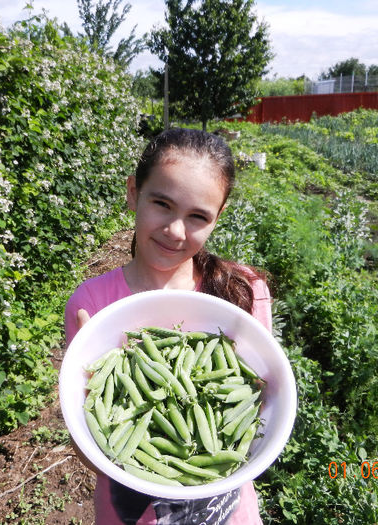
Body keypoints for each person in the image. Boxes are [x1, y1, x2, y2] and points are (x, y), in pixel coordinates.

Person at [64, 128, 271, 525]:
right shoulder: (92, 305)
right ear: (132, 193)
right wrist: (95, 381)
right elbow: (86, 443)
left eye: (198, 216)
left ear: (218, 218)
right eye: (162, 203)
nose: (176, 231)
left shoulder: (243, 293)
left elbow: (261, 398)